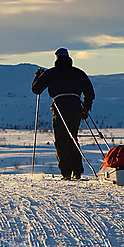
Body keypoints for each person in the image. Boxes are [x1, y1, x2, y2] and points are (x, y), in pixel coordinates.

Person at [32, 48, 95, 180]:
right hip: (76, 107)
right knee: (73, 137)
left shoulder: (51, 73)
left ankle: (66, 172)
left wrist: (37, 77)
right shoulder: (78, 73)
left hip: (60, 107)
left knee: (61, 140)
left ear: (56, 58)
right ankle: (77, 170)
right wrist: (85, 108)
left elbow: (36, 90)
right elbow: (90, 92)